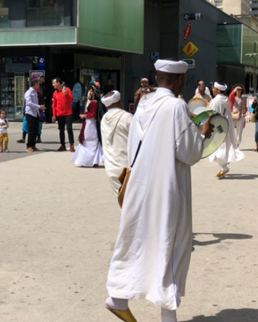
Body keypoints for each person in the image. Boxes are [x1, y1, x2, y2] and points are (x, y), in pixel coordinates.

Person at [106, 59, 212, 322]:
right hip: (166, 188)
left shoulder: (143, 103)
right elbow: (190, 152)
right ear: (177, 81)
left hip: (140, 188)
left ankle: (118, 297)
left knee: (137, 242)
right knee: (169, 245)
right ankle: (166, 316)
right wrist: (204, 130)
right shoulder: (176, 106)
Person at [208, 82, 244, 178]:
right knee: (224, 144)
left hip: (219, 126)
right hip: (225, 125)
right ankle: (223, 166)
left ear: (218, 90)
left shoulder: (216, 101)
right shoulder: (225, 99)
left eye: (214, 88)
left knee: (219, 146)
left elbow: (213, 114)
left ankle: (223, 166)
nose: (212, 89)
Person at [100, 90, 133, 195]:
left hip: (110, 169)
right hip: (128, 169)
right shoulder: (127, 117)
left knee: (123, 202)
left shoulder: (104, 119)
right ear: (120, 102)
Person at [72, 84, 104, 167]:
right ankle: (89, 160)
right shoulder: (89, 101)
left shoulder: (94, 103)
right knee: (87, 140)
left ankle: (91, 160)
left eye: (92, 91)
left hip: (91, 123)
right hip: (88, 122)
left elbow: (93, 114)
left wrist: (84, 115)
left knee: (90, 140)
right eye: (90, 90)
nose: (90, 92)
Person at [52, 78, 75, 152]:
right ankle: (62, 145)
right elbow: (54, 105)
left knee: (69, 129)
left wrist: (66, 94)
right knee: (61, 130)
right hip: (59, 114)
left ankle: (71, 144)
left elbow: (71, 99)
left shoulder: (67, 89)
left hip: (68, 113)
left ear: (58, 83)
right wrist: (54, 115)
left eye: (54, 83)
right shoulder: (55, 93)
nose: (53, 85)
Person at [24, 80, 45, 152]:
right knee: (31, 130)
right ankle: (29, 146)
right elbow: (29, 103)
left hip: (36, 113)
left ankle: (33, 145)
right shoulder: (28, 92)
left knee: (36, 130)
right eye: (38, 84)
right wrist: (39, 106)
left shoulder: (35, 92)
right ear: (35, 84)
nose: (39, 85)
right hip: (30, 113)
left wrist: (39, 107)